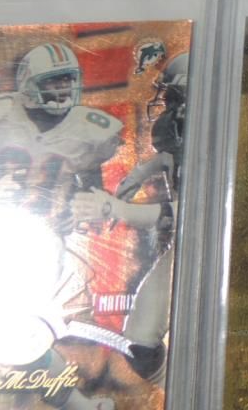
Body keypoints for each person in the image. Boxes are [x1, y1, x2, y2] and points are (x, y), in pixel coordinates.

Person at [0, 42, 123, 409]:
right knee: (13, 337)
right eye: (53, 82)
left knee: (17, 335)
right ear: (28, 83)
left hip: (44, 241)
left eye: (67, 81)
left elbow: (93, 185)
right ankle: (79, 404)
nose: (63, 90)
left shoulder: (91, 130)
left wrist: (88, 203)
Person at [71, 52, 188, 384]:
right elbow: (147, 170)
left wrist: (117, 209)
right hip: (184, 250)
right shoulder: (174, 154)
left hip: (215, 254)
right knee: (139, 342)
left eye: (174, 98)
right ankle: (171, 390)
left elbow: (183, 215)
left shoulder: (217, 151)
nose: (167, 108)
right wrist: (123, 190)